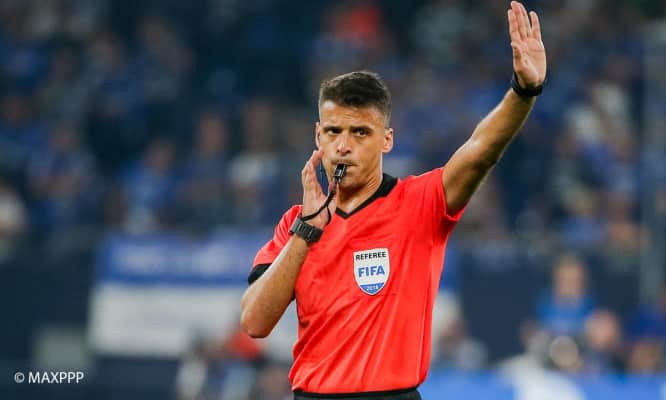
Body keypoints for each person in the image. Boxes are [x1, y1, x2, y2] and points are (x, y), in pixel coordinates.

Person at [240, 1, 547, 398]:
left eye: (360, 132)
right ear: (318, 136)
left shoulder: (420, 204)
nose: (344, 146)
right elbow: (255, 322)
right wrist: (306, 232)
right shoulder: (295, 223)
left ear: (386, 140)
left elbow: (479, 150)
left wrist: (523, 92)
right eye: (333, 132)